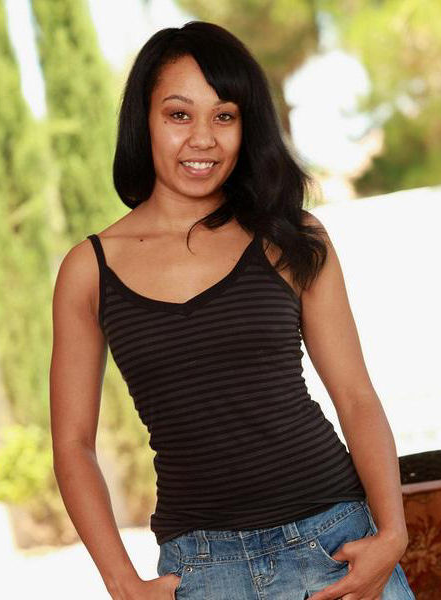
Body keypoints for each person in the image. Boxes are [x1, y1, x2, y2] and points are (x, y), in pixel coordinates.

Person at [50, 21, 415, 600]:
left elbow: (355, 396)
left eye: (224, 116)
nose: (203, 139)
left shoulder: (290, 236)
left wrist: (392, 534)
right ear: (144, 120)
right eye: (179, 114)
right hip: (202, 570)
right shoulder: (89, 270)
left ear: (247, 127)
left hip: (335, 545)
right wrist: (122, 583)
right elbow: (73, 444)